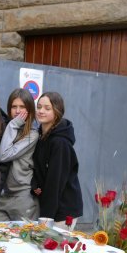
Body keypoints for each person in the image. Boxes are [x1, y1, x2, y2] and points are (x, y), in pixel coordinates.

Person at [31, 92, 83, 229]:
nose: (41, 111)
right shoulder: (42, 136)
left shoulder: (60, 143)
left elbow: (55, 182)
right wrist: (35, 184)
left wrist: (46, 219)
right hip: (51, 206)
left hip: (63, 211)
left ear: (57, 111)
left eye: (47, 108)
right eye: (39, 106)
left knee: (55, 250)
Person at [0, 88, 39, 221]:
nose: (18, 111)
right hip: (4, 195)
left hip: (23, 196)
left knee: (23, 240)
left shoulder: (32, 134)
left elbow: (4, 156)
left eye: (22, 107)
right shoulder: (8, 129)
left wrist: (12, 125)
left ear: (30, 109)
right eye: (14, 107)